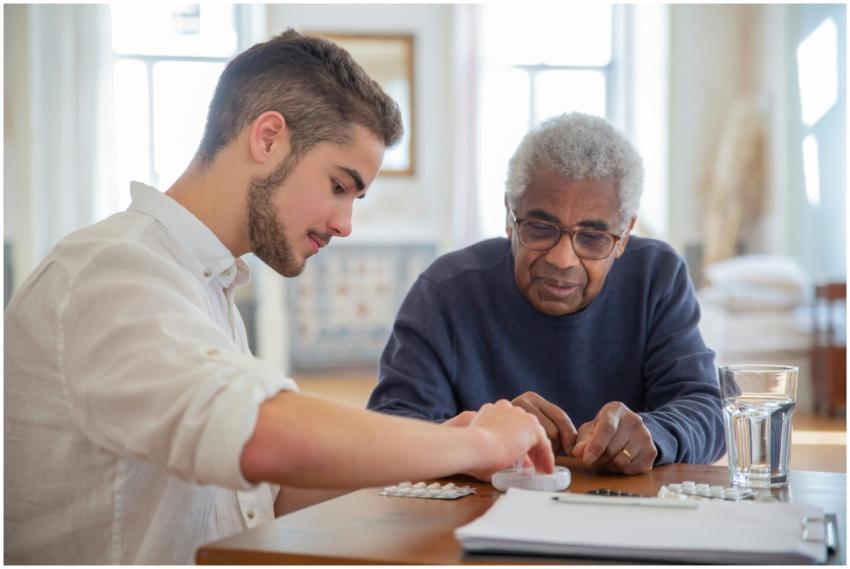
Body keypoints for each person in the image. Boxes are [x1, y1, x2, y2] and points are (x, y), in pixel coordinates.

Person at [4, 30, 553, 564]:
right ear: (268, 138)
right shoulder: (112, 270)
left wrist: (433, 445)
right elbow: (261, 436)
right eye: (338, 186)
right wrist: (480, 445)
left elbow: (261, 498)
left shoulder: (204, 283)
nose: (345, 225)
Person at [368, 112, 725, 475]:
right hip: (481, 506)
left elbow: (707, 410)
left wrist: (656, 432)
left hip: (627, 506)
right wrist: (486, 434)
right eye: (540, 228)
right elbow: (391, 432)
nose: (562, 259)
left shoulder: (656, 277)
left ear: (625, 236)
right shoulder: (445, 291)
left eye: (593, 238)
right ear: (509, 217)